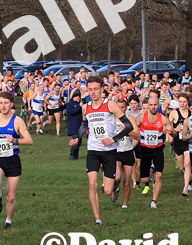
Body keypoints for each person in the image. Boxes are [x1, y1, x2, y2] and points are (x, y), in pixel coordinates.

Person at [71, 76, 134, 226]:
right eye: (90, 89)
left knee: (107, 190)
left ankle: (114, 187)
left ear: (102, 89)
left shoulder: (110, 105)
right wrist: (77, 138)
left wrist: (113, 140)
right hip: (93, 150)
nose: (93, 92)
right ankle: (98, 219)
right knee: (92, 184)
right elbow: (84, 126)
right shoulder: (86, 107)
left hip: (110, 151)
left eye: (96, 89)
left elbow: (128, 126)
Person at [0, 91, 33, 229]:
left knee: (11, 197)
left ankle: (8, 222)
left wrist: (15, 140)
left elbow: (29, 140)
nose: (3, 106)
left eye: (6, 103)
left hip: (12, 160)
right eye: (0, 103)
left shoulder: (17, 121)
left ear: (11, 104)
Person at [136, 90, 173, 209]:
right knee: (144, 179)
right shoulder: (142, 118)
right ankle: (150, 172)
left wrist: (172, 131)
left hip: (158, 150)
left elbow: (174, 133)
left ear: (158, 106)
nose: (153, 107)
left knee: (159, 175)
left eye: (155, 105)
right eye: (151, 105)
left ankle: (154, 201)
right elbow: (133, 128)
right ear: (148, 106)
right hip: (145, 150)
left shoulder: (163, 119)